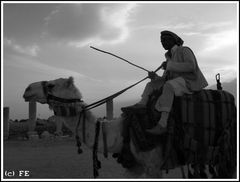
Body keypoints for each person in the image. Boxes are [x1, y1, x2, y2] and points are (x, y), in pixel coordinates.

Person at [123, 30, 208, 135]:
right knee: (151, 85)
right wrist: (154, 77)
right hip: (177, 83)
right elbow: (166, 79)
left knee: (169, 86)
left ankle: (162, 124)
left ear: (173, 40)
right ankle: (142, 104)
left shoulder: (184, 50)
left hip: (190, 82)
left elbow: (191, 66)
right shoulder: (168, 58)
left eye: (164, 40)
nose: (162, 42)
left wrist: (170, 65)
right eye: (161, 41)